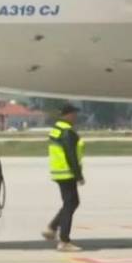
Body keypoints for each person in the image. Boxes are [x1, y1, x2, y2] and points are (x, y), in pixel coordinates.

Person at [42, 104, 85, 252]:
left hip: (58, 172)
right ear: (68, 115)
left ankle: (52, 228)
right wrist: (78, 175)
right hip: (67, 173)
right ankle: (64, 241)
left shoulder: (56, 129)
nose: (75, 117)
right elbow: (71, 155)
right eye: (74, 114)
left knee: (71, 203)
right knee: (70, 204)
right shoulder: (67, 132)